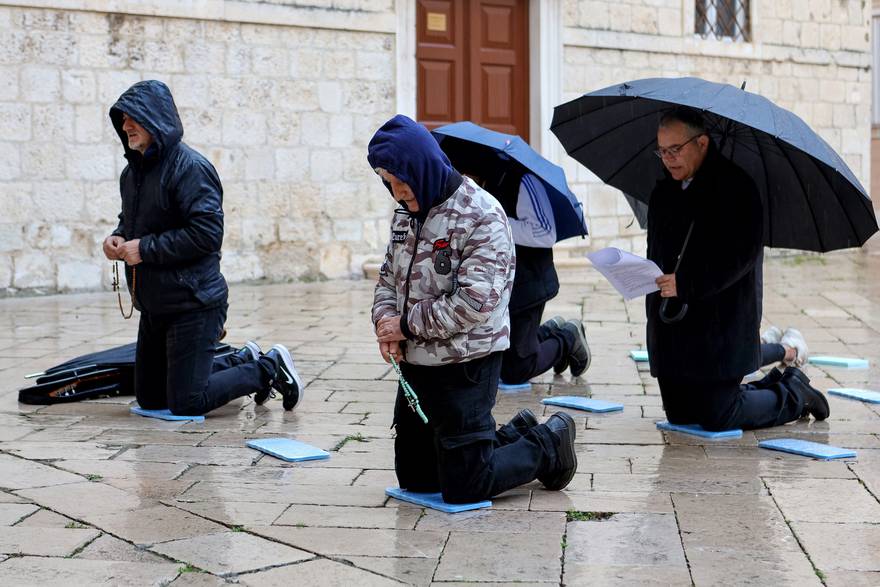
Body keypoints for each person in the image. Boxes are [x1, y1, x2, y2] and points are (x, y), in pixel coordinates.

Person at [368, 115, 578, 503]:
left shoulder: (481, 214)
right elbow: (387, 277)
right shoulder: (406, 213)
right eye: (388, 184)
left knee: (465, 486)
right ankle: (509, 436)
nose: (397, 193)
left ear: (422, 167)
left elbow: (473, 304)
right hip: (418, 364)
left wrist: (405, 326)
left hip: (466, 362)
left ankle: (548, 444)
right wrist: (384, 321)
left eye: (401, 182)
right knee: (417, 479)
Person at [102, 80, 302, 416]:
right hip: (155, 305)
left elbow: (207, 234)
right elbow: (132, 222)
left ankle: (268, 366)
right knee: (150, 399)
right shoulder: (131, 173)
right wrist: (118, 238)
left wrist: (145, 249)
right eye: (122, 120)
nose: (125, 126)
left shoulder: (191, 168)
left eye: (132, 118)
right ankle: (242, 358)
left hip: (193, 302)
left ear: (154, 119)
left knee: (186, 403)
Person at [646, 106, 828, 431]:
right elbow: (658, 253)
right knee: (682, 415)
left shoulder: (736, 189)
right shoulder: (663, 192)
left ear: (702, 143)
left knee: (720, 417)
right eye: (661, 151)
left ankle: (794, 392)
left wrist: (686, 282)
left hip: (720, 323)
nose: (667, 159)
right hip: (671, 324)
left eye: (675, 150)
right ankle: (770, 383)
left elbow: (740, 258)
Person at [481, 168, 591, 385]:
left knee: (516, 370)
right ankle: (549, 330)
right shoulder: (482, 183)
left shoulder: (524, 180)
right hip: (500, 285)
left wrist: (496, 222)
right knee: (499, 355)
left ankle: (568, 337)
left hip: (529, 284)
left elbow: (544, 232)